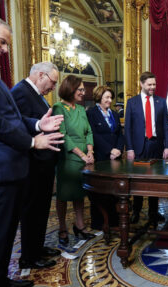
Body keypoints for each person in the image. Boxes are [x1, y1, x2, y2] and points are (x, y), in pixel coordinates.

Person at [0, 15, 64, 287]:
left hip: (11, 167)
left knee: (5, 233)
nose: (4, 50)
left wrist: (38, 125)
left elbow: (10, 117)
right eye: (1, 42)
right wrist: (32, 141)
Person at [11, 62, 61, 270]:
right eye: (52, 82)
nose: (53, 88)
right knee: (32, 212)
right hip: (32, 164)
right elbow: (18, 124)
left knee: (41, 210)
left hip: (43, 164)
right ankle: (29, 257)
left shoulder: (37, 94)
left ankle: (38, 248)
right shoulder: (21, 92)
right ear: (41, 75)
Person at [124, 71, 168, 228]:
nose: (153, 87)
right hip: (139, 146)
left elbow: (166, 126)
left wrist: (167, 146)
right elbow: (128, 128)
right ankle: (136, 211)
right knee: (137, 182)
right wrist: (129, 148)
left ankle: (153, 212)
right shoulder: (132, 102)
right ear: (142, 84)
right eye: (150, 84)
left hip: (156, 145)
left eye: (154, 84)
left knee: (154, 182)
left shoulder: (161, 102)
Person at [53, 75, 95, 245]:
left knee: (80, 194)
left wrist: (90, 151)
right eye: (80, 89)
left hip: (85, 158)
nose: (83, 92)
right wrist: (82, 155)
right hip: (68, 158)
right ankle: (62, 228)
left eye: (83, 89)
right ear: (70, 89)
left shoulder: (80, 109)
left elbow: (89, 132)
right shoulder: (58, 107)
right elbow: (63, 135)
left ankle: (80, 225)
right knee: (63, 195)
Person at [86, 85, 124, 243]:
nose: (110, 100)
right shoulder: (91, 113)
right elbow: (93, 135)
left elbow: (119, 134)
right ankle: (99, 221)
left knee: (114, 190)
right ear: (99, 97)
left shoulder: (114, 114)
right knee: (101, 190)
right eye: (107, 97)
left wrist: (118, 149)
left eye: (110, 97)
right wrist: (109, 150)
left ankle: (114, 220)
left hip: (116, 158)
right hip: (102, 157)